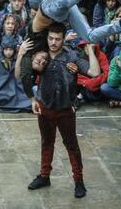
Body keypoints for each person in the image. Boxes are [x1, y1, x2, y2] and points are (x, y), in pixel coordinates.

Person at [28, 22, 92, 198]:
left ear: (63, 39)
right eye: (50, 38)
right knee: (46, 142)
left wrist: (91, 50)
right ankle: (44, 175)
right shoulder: (41, 54)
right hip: (45, 107)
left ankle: (79, 181)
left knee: (72, 146)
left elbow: (93, 71)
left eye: (57, 39)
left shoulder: (72, 56)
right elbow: (23, 74)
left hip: (65, 108)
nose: (53, 42)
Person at [0, 35, 31, 112]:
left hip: (13, 88)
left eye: (10, 49)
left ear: (14, 50)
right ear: (2, 49)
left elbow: (17, 77)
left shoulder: (16, 59)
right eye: (6, 49)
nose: (8, 52)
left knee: (26, 99)